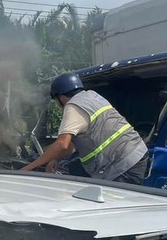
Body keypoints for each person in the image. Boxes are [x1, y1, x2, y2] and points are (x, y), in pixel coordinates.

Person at [21, 72, 149, 184]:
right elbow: (71, 145)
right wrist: (56, 159)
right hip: (137, 153)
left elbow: (62, 145)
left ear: (61, 97)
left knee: (109, 201)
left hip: (122, 164)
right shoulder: (92, 96)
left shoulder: (73, 106)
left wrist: (27, 169)